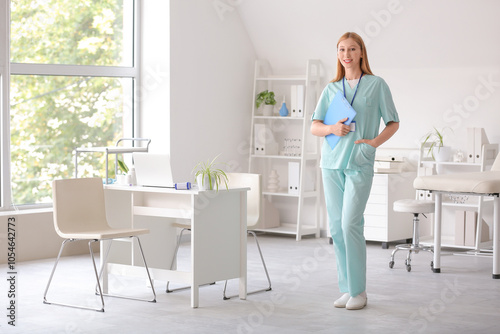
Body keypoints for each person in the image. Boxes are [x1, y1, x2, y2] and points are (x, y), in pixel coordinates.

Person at [310, 32, 399, 310]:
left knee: (351, 223)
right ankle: (346, 289)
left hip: (359, 161)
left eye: (352, 49)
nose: (346, 54)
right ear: (337, 54)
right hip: (331, 163)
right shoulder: (331, 89)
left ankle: (359, 291)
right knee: (336, 228)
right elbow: (315, 126)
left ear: (361, 53)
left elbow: (393, 122)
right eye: (341, 49)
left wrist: (372, 144)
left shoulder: (376, 85)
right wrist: (331, 128)